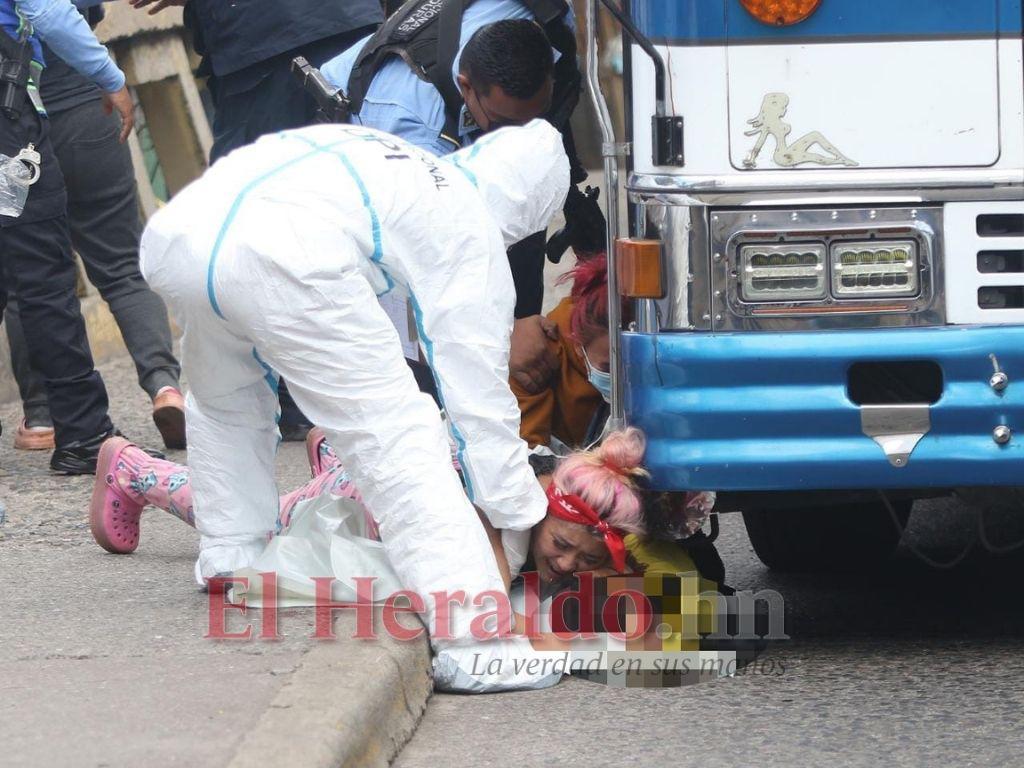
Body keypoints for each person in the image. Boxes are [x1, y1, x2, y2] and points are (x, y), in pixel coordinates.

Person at [136, 119, 569, 690]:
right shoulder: (466, 217)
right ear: (526, 208)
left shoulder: (395, 156)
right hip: (287, 252)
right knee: (395, 434)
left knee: (224, 401)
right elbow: (478, 404)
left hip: (178, 235)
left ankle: (231, 554)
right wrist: (522, 511)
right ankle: (474, 638)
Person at [127, 0, 385, 440]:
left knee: (253, 216)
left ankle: (299, 393)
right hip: (336, 24)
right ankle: (368, 381)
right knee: (357, 200)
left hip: (271, 41)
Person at [319, 0, 600, 390]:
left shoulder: (542, 20)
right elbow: (422, 265)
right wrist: (504, 337)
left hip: (463, 112)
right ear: (467, 89)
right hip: (377, 147)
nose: (521, 139)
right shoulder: (412, 127)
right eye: (506, 125)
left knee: (518, 245)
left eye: (535, 120)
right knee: (420, 348)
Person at [4, 7, 185, 452]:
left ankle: (43, 415)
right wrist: (109, 76)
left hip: (16, 118)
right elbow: (61, 10)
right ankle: (165, 386)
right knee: (122, 264)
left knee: (28, 275)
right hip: (82, 104)